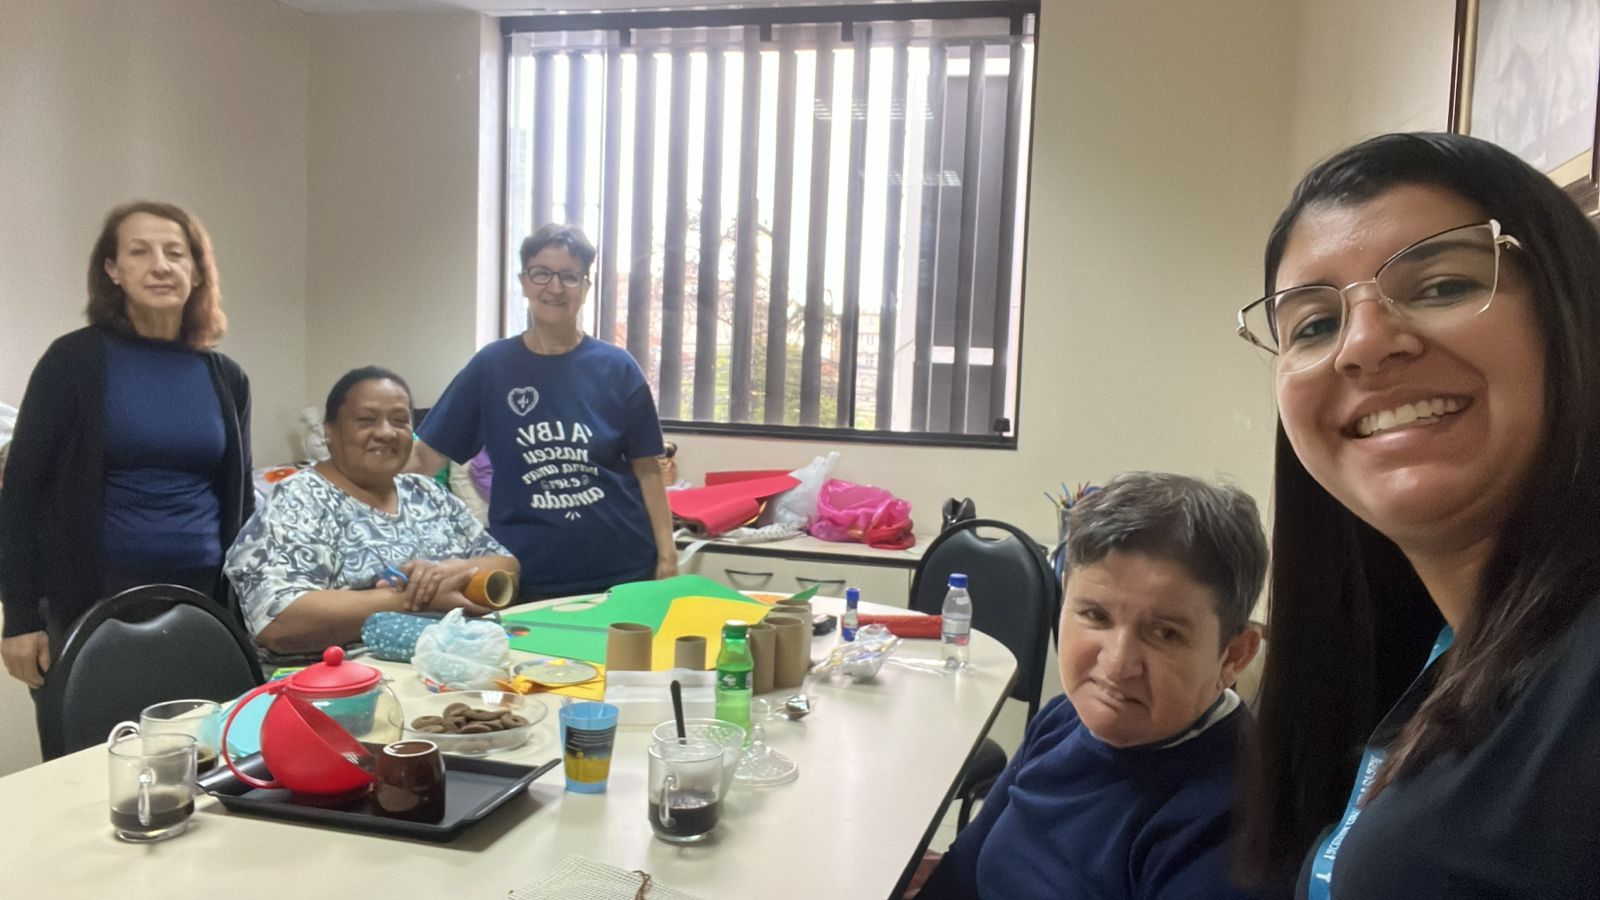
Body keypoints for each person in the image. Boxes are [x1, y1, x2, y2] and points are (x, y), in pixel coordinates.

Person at [1235, 132, 1600, 899]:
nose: (1363, 346)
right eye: (1314, 325)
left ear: (1572, 308)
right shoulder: (1425, 647)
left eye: (1440, 286)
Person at [916, 471, 1266, 900]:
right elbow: (963, 871)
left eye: (1165, 633)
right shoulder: (1063, 719)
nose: (1117, 664)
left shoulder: (1232, 826)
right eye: (1096, 616)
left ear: (1234, 655)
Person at [0, 202, 252, 701]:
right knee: (99, 747)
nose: (161, 265)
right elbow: (20, 495)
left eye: (175, 253)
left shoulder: (226, 377)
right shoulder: (72, 362)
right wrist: (21, 617)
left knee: (204, 744)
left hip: (203, 604)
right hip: (90, 604)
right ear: (112, 270)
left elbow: (239, 502)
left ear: (197, 271)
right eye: (140, 252)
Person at [407, 223, 676, 598]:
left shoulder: (617, 368)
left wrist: (667, 557)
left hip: (625, 570)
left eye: (569, 276)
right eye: (541, 273)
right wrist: (350, 486)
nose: (555, 287)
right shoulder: (492, 367)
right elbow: (425, 459)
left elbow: (647, 469)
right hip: (527, 577)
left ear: (585, 286)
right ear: (524, 281)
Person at [225, 368, 518, 654]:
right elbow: (279, 622)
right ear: (329, 432)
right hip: (345, 678)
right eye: (366, 420)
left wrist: (451, 571)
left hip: (454, 663)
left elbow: (508, 567)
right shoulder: (299, 500)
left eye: (400, 420)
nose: (386, 432)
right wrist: (415, 599)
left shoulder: (426, 492)